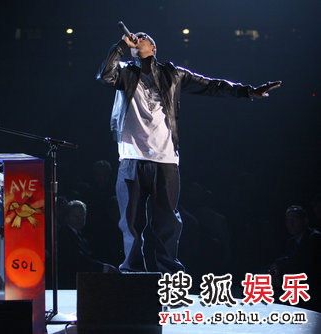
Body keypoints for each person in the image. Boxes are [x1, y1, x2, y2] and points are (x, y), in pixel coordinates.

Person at [97, 31, 281, 274]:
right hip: (132, 158)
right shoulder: (124, 72)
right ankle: (132, 274)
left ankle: (169, 276)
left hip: (165, 159)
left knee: (167, 222)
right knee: (130, 223)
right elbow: (104, 74)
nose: (136, 37)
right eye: (134, 36)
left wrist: (248, 92)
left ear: (152, 46)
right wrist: (121, 45)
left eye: (142, 36)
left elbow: (211, 86)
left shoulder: (173, 74)